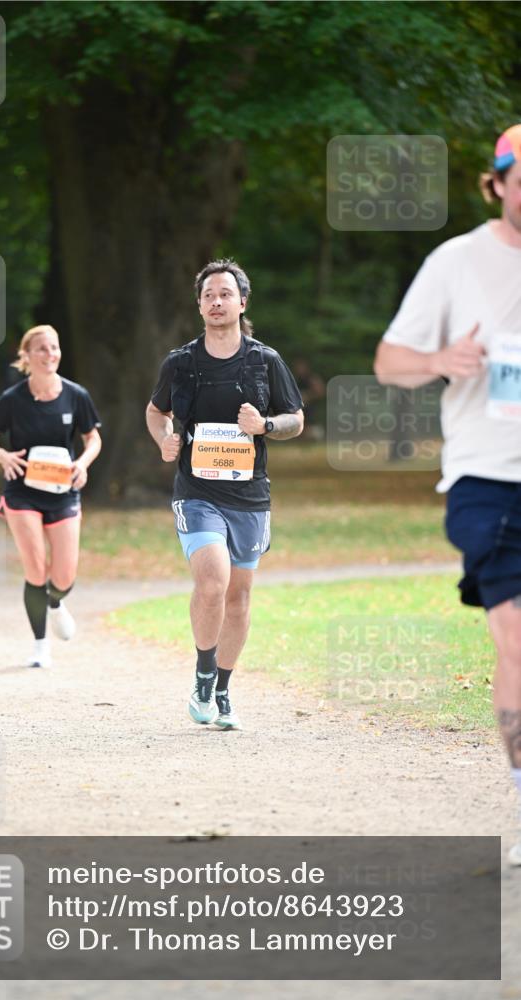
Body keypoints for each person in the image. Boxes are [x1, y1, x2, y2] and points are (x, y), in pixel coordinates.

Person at [374, 124, 521, 866]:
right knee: (515, 636)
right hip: (488, 477)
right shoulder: (456, 261)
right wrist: (439, 359)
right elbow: (388, 362)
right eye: (520, 176)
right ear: (494, 182)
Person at [146, 259, 304, 730]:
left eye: (225, 294)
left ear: (242, 302)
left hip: (250, 497)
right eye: (209, 295)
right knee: (211, 582)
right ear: (199, 305)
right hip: (196, 492)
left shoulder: (265, 360)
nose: (217, 301)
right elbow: (156, 412)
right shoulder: (180, 362)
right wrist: (163, 439)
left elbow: (295, 419)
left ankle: (223, 689)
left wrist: (266, 425)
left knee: (238, 598)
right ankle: (202, 671)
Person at [0, 325, 102, 668]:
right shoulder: (13, 399)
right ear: (27, 357)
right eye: (42, 349)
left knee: (63, 576)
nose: (50, 354)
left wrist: (83, 463)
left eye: (54, 348)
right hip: (22, 492)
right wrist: (2, 456)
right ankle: (40, 646)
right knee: (35, 568)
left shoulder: (76, 395)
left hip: (62, 491)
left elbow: (93, 439)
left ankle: (56, 601)